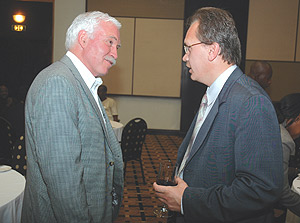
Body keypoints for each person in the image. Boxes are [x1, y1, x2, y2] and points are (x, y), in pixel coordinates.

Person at [153, 7, 283, 223]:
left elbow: (261, 190)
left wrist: (187, 200)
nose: (184, 57)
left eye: (188, 48)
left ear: (212, 50)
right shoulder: (216, 92)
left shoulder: (251, 102)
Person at [21, 11, 124, 223]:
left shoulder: (81, 83)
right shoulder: (57, 83)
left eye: (117, 46)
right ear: (84, 38)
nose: (115, 54)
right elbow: (64, 183)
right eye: (110, 42)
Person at [275, 93, 300, 217]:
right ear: (298, 118)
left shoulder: (275, 126)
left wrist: (296, 171)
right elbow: (282, 192)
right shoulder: (284, 140)